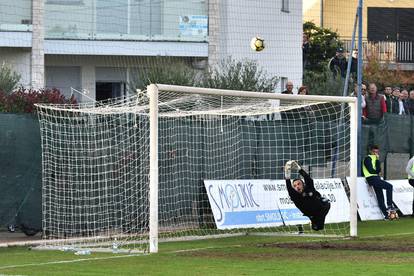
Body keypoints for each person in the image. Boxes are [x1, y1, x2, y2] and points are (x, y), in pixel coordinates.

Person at [284, 160, 331, 231]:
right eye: (295, 186)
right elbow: (289, 188)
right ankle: (313, 224)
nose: (297, 186)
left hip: (322, 209)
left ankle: (322, 199)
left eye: (299, 184)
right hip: (311, 214)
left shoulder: (308, 188)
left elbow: (308, 179)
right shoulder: (295, 196)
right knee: (317, 228)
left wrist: (299, 169)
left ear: (303, 184)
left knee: (323, 200)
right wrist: (287, 173)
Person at [362, 145, 395, 220]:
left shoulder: (376, 159)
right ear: (370, 151)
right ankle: (389, 205)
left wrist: (377, 161)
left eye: (377, 152)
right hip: (371, 178)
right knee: (389, 186)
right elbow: (371, 171)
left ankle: (386, 215)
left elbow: (378, 170)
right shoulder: (367, 158)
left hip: (376, 178)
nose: (376, 153)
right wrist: (376, 170)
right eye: (374, 152)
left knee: (380, 196)